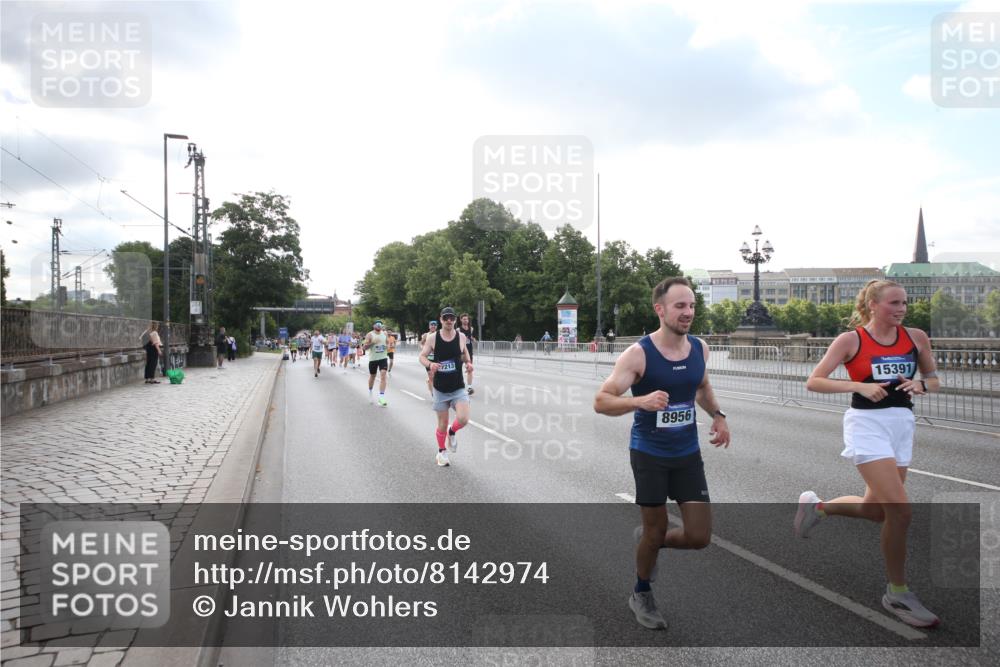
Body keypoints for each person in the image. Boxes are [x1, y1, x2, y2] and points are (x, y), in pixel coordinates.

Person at [796, 279, 940, 628]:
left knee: (877, 511)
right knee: (900, 511)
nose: (902, 309)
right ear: (873, 305)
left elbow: (934, 378)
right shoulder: (852, 340)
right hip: (866, 425)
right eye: (894, 303)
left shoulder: (916, 337)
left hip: (901, 425)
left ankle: (818, 507)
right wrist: (859, 384)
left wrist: (922, 384)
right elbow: (814, 380)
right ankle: (898, 593)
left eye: (904, 303)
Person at [593, 277, 731, 631]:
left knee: (699, 536)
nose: (688, 313)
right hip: (649, 453)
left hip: (687, 452)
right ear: (660, 310)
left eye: (691, 306)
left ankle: (648, 542)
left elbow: (701, 386)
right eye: (680, 306)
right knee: (656, 529)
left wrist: (718, 415)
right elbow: (601, 401)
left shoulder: (699, 348)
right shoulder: (639, 354)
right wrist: (640, 400)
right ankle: (641, 591)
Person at [419, 307, 472, 467]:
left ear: (455, 320)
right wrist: (430, 364)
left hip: (457, 386)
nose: (449, 320)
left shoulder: (461, 336)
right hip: (440, 387)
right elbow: (421, 357)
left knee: (463, 419)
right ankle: (441, 452)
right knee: (442, 423)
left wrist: (468, 363)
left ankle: (452, 431)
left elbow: (464, 354)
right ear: (441, 319)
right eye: (446, 318)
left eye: (452, 318)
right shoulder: (433, 338)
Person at [364, 320, 390, 406]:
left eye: (380, 324)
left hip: (383, 357)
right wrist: (373, 343)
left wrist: (387, 346)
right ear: (374, 325)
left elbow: (387, 343)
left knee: (383, 374)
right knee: (372, 376)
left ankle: (381, 397)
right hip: (373, 359)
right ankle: (370, 391)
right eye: (377, 324)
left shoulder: (385, 334)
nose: (379, 326)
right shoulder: (370, 334)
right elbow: (364, 348)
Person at [457, 313, 476, 395]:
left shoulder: (471, 329)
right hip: (460, 352)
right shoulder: (458, 330)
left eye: (467, 319)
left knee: (470, 369)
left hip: (469, 351)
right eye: (464, 319)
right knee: (458, 370)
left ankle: (469, 387)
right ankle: (458, 386)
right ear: (461, 320)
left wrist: (473, 339)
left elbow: (470, 337)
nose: (466, 320)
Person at [419, 320, 439, 397]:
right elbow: (421, 344)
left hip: (437, 358)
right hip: (428, 359)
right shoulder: (426, 335)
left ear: (436, 326)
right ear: (429, 326)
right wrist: (425, 349)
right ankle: (433, 393)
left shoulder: (439, 334)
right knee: (431, 376)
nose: (433, 326)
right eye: (431, 325)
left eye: (434, 325)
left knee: (438, 376)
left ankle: (430, 382)